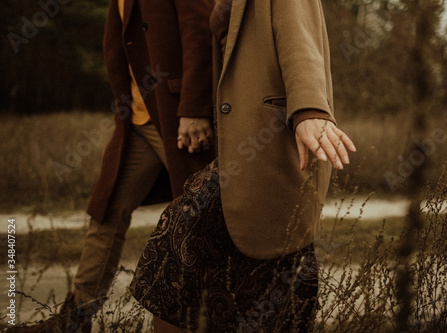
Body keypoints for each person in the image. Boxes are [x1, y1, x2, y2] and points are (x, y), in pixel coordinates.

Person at [129, 0, 357, 332]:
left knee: (194, 248)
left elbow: (301, 43)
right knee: (187, 269)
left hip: (270, 141)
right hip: (238, 142)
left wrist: (310, 110)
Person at [9, 0, 215, 332]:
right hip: (136, 121)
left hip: (176, 117)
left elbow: (200, 30)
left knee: (202, 220)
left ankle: (208, 320)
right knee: (105, 212)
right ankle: (74, 320)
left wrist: (194, 107)